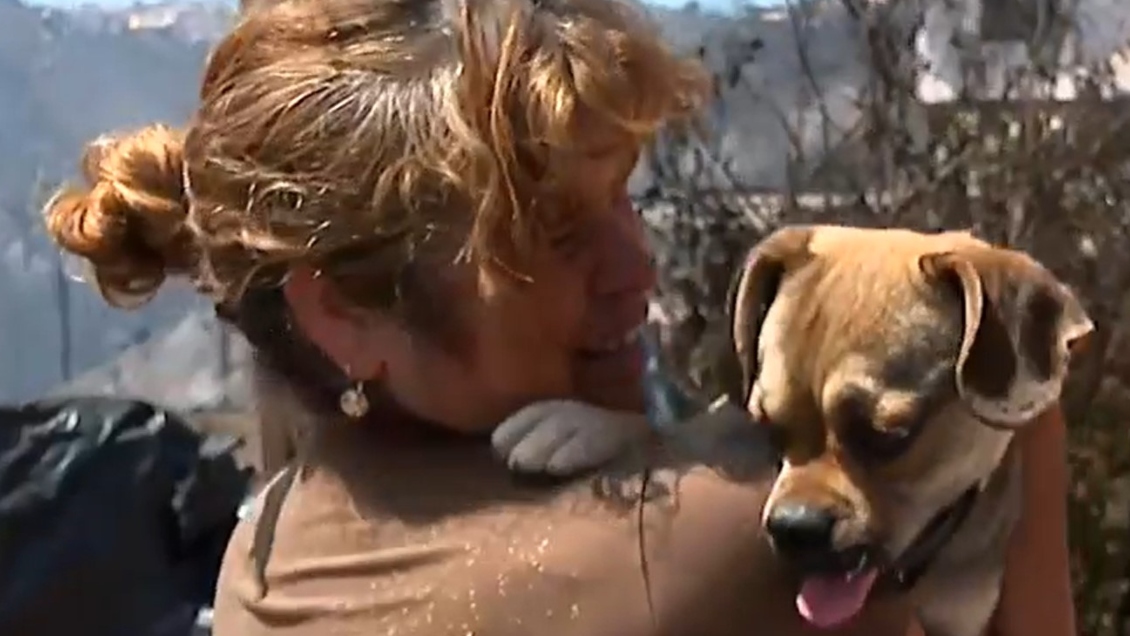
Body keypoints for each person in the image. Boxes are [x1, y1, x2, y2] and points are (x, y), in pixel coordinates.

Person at [42, 0, 1076, 633]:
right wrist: (1001, 372)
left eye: (622, 194)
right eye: (551, 232)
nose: (638, 266)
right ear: (348, 315)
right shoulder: (709, 545)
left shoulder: (265, 542)